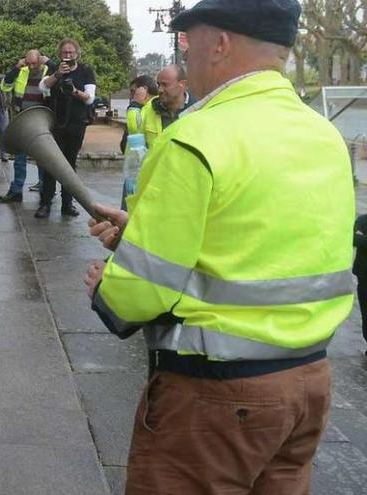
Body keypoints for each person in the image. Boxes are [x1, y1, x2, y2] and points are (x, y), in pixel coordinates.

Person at [84, 1, 353, 492]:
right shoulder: (324, 135)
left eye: (191, 41)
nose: (186, 57)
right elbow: (260, 235)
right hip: (308, 385)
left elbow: (141, 292)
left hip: (215, 397)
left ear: (222, 42)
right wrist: (144, 228)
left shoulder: (197, 136)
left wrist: (110, 286)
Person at [36, 38, 96, 218]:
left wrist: (75, 91)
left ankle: (67, 204)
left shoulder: (86, 71)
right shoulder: (54, 70)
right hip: (55, 124)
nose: (68, 55)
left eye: (71, 52)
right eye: (64, 53)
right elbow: (42, 88)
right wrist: (57, 75)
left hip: (76, 124)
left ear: (77, 53)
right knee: (51, 164)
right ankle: (45, 203)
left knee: (69, 164)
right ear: (59, 54)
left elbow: (90, 98)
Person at [0, 50, 52, 203]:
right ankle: (16, 191)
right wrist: (16, 67)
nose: (31, 66)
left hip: (40, 121)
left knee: (42, 158)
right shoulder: (21, 72)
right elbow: (5, 86)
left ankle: (45, 189)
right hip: (22, 120)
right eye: (28, 63)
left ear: (41, 60)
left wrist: (48, 62)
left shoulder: (49, 71)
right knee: (19, 158)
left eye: (34, 63)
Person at [140, 64, 192, 148]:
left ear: (182, 84)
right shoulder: (147, 111)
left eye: (165, 85)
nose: (160, 90)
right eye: (158, 84)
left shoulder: (199, 110)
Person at [119, 74, 159, 153]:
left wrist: (134, 106)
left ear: (144, 89)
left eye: (133, 91)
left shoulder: (144, 110)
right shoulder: (158, 105)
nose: (131, 96)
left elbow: (134, 130)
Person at [355, 214, 367, 354]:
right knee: (365, 314)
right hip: (364, 276)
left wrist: (362, 237)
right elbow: (354, 239)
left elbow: (359, 239)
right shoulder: (363, 220)